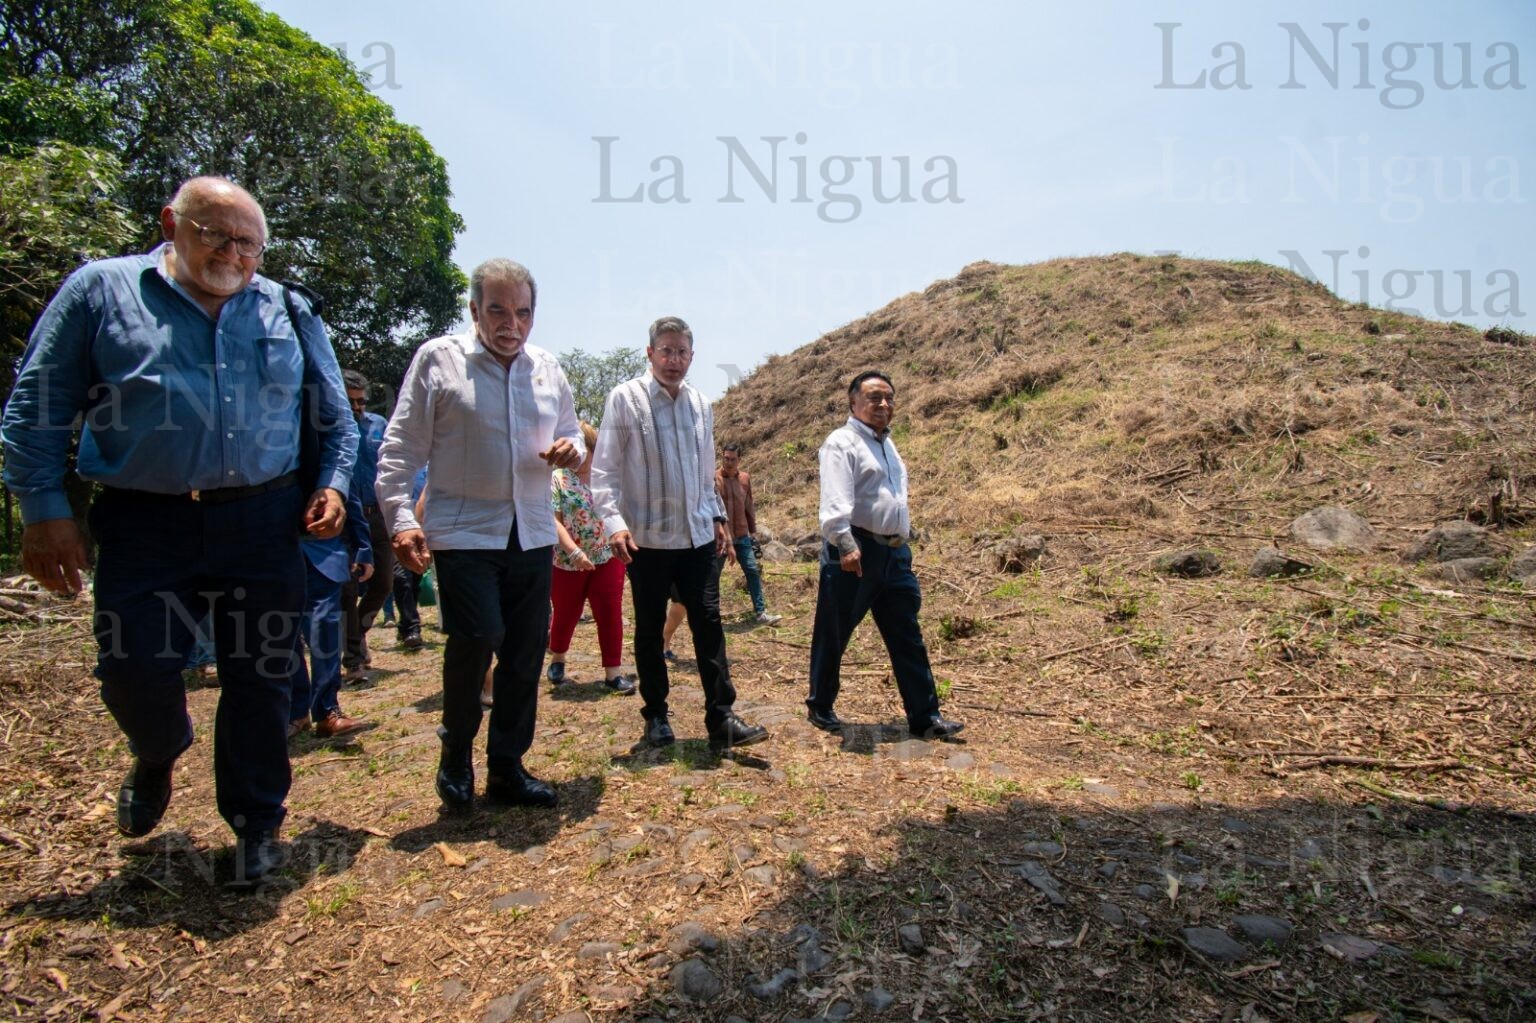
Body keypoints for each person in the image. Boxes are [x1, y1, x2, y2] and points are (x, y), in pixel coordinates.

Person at [0, 176, 356, 886]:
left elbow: (334, 415)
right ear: (171, 223)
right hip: (145, 519)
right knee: (132, 667)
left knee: (262, 675)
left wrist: (334, 483)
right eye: (214, 234)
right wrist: (43, 509)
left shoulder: (286, 306)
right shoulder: (102, 292)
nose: (232, 253)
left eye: (247, 243)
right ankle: (159, 745)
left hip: (261, 519)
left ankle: (257, 822)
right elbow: (36, 403)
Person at [376, 258, 582, 811]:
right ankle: (456, 751)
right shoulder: (438, 362)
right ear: (474, 310)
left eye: (522, 312)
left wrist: (571, 449)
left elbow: (571, 433)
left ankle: (507, 767)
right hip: (464, 532)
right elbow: (399, 450)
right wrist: (401, 518)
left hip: (533, 530)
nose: (510, 323)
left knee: (523, 652)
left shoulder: (547, 368)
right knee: (476, 639)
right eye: (497, 310)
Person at [590, 316, 768, 753]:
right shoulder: (625, 400)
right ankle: (657, 716)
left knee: (708, 624)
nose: (674, 360)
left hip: (696, 540)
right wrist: (614, 524)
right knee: (650, 628)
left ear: (693, 356)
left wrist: (718, 520)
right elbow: (605, 471)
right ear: (649, 353)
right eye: (666, 351)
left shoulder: (700, 405)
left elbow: (703, 473)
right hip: (646, 541)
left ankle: (721, 717)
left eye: (682, 352)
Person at [805, 371, 963, 740]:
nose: (883, 405)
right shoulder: (842, 442)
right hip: (856, 550)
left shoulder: (887, 445)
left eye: (889, 398)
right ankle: (820, 705)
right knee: (835, 630)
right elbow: (834, 500)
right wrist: (844, 544)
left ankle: (925, 717)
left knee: (907, 633)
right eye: (874, 398)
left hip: (894, 554)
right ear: (853, 402)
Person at [546, 421, 635, 693]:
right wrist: (574, 552)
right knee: (566, 613)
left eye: (578, 447)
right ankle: (558, 656)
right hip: (568, 561)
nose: (572, 454)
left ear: (591, 446)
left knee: (609, 612)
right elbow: (553, 520)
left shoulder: (609, 477)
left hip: (608, 556)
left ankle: (613, 673)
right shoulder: (558, 478)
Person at [289, 465, 373, 741]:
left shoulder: (321, 440)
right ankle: (296, 710)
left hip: (324, 552)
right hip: (273, 551)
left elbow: (348, 494)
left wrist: (363, 548)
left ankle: (327, 709)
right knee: (282, 635)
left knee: (325, 628)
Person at [340, 370, 393, 679]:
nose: (357, 407)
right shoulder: (329, 429)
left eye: (360, 401)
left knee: (383, 584)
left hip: (378, 516)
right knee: (347, 591)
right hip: (345, 520)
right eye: (350, 401)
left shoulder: (379, 426)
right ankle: (352, 659)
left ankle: (356, 635)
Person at [716, 443, 781, 625]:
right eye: (726, 458)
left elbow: (749, 505)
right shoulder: (715, 479)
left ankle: (760, 612)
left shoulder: (744, 479)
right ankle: (711, 615)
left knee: (752, 571)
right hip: (721, 537)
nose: (729, 462)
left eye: (733, 459)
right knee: (714, 576)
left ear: (739, 460)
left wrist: (753, 531)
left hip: (742, 535)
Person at [390, 467, 430, 650]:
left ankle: (405, 624)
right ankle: (412, 629)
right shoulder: (393, 467)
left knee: (415, 578)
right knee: (401, 578)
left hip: (424, 528)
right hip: (397, 529)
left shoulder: (428, 467)